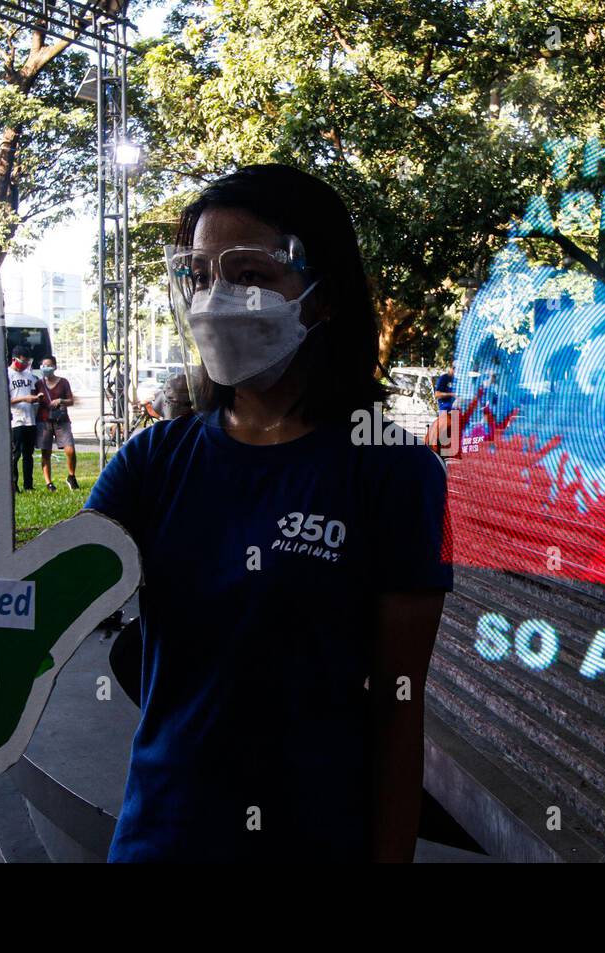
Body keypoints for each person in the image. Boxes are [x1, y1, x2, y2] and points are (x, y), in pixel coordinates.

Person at [86, 163, 452, 863]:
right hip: (158, 840)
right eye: (199, 273)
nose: (216, 299)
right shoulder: (152, 463)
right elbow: (51, 599)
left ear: (324, 297)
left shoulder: (393, 474)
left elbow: (398, 709)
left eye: (249, 273)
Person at [35, 355, 79, 492]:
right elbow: (34, 400)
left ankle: (71, 476)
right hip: (44, 421)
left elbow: (71, 401)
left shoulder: (63, 382)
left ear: (54, 367)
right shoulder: (38, 384)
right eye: (43, 365)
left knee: (70, 450)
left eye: (48, 365)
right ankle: (49, 483)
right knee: (45, 452)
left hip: (62, 420)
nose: (45, 368)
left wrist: (61, 401)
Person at [7, 344, 40, 492]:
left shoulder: (29, 375)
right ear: (14, 359)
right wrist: (24, 399)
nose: (25, 365)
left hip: (30, 419)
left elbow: (33, 393)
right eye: (23, 361)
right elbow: (5, 400)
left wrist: (35, 398)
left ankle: (28, 485)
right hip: (16, 419)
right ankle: (13, 484)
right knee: (16, 454)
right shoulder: (7, 375)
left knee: (28, 454)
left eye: (27, 362)